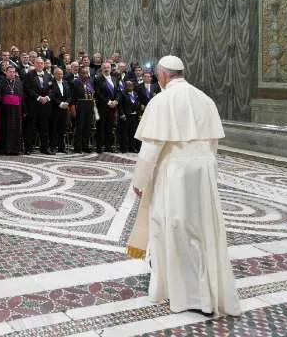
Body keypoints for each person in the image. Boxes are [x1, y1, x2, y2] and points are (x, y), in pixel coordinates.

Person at [128, 55, 241, 317]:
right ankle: (207, 293)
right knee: (202, 232)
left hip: (175, 174)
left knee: (173, 228)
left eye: (158, 77)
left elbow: (151, 148)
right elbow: (213, 144)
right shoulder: (205, 99)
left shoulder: (162, 100)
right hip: (204, 174)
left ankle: (181, 293)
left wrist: (139, 181)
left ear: (163, 76)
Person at [23, 57, 52, 154]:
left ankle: (44, 148)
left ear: (44, 65)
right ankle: (29, 148)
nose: (40, 65)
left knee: (45, 128)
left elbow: (52, 89)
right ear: (34, 64)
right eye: (38, 63)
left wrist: (47, 97)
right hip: (33, 105)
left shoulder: (48, 75)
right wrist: (39, 97)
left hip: (45, 106)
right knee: (31, 128)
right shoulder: (29, 75)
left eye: (42, 63)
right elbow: (27, 89)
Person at [0, 65, 23, 155]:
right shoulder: (1, 83)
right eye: (10, 72)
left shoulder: (19, 83)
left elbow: (21, 96)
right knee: (6, 128)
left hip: (16, 111)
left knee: (16, 128)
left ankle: (15, 149)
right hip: (5, 110)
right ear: (6, 72)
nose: (12, 74)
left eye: (13, 72)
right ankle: (5, 149)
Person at [93, 62, 119, 153]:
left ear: (111, 69)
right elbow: (98, 93)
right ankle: (99, 147)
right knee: (101, 127)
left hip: (112, 107)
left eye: (108, 67)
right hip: (102, 107)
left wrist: (116, 101)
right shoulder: (98, 79)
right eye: (104, 67)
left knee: (109, 127)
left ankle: (108, 146)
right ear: (101, 69)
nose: (106, 69)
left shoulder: (115, 79)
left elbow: (118, 91)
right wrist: (108, 101)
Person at [71, 67, 95, 154]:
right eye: (83, 73)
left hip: (89, 106)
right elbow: (72, 97)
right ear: (79, 73)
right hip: (80, 106)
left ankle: (85, 146)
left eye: (86, 73)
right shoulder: (75, 82)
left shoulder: (90, 82)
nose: (85, 75)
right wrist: (73, 109)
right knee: (80, 128)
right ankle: (78, 147)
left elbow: (92, 94)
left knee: (87, 127)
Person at [48, 66, 71, 154]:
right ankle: (53, 147)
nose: (60, 75)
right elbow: (51, 96)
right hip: (55, 109)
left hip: (64, 109)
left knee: (62, 129)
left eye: (61, 74)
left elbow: (69, 95)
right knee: (54, 129)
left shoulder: (66, 82)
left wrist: (67, 103)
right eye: (58, 74)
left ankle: (62, 147)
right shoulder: (51, 83)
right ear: (54, 75)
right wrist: (60, 103)